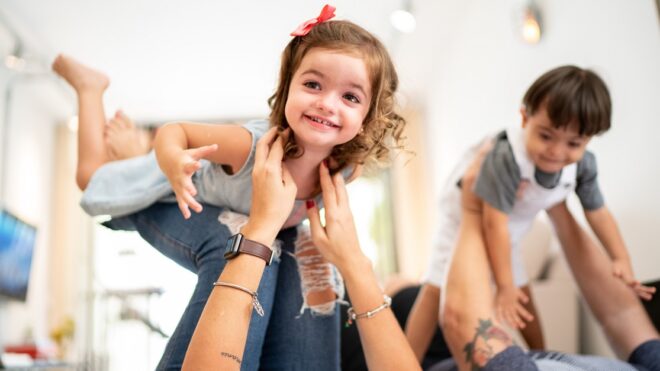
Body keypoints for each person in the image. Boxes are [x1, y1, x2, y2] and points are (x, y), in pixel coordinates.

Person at [52, 5, 405, 370]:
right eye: (313, 84)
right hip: (178, 192)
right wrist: (172, 163)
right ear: (287, 91)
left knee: (295, 254)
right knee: (91, 177)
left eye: (350, 97)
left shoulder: (346, 170)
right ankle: (90, 89)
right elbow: (176, 132)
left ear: (365, 119)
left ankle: (133, 150)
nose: (326, 103)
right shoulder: (248, 145)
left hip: (238, 206)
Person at [185, 126, 660, 370]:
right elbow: (620, 317)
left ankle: (118, 172)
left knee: (249, 246)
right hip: (407, 317)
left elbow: (460, 321)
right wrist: (554, 192)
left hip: (394, 344)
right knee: (399, 284)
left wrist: (477, 204)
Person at [406, 65, 655, 357]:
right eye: (546, 136)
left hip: (510, 222)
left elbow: (597, 211)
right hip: (467, 214)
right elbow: (493, 224)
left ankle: (542, 354)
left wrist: (619, 257)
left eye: (573, 143)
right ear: (524, 118)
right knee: (436, 285)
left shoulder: (584, 164)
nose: (556, 152)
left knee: (522, 293)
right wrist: (503, 286)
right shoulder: (506, 158)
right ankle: (406, 358)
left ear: (589, 140)